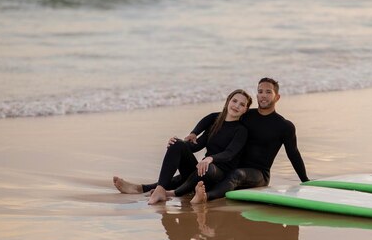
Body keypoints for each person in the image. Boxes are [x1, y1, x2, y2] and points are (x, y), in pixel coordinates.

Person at [113, 89, 252, 204]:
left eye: (242, 104)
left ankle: (168, 191)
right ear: (228, 101)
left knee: (205, 169)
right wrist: (178, 144)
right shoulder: (215, 123)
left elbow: (230, 153)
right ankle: (156, 189)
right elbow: (195, 146)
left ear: (245, 110)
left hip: (217, 177)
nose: (236, 105)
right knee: (177, 144)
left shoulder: (241, 130)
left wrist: (210, 158)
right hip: (201, 172)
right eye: (234, 101)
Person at [190, 77, 309, 203]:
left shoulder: (284, 126)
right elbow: (215, 117)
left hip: (259, 175)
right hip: (231, 168)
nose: (263, 95)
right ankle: (169, 190)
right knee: (200, 172)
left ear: (277, 97)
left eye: (268, 92)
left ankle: (206, 197)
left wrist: (305, 180)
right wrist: (194, 133)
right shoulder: (245, 115)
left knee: (237, 174)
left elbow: (293, 154)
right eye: (260, 91)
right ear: (257, 95)